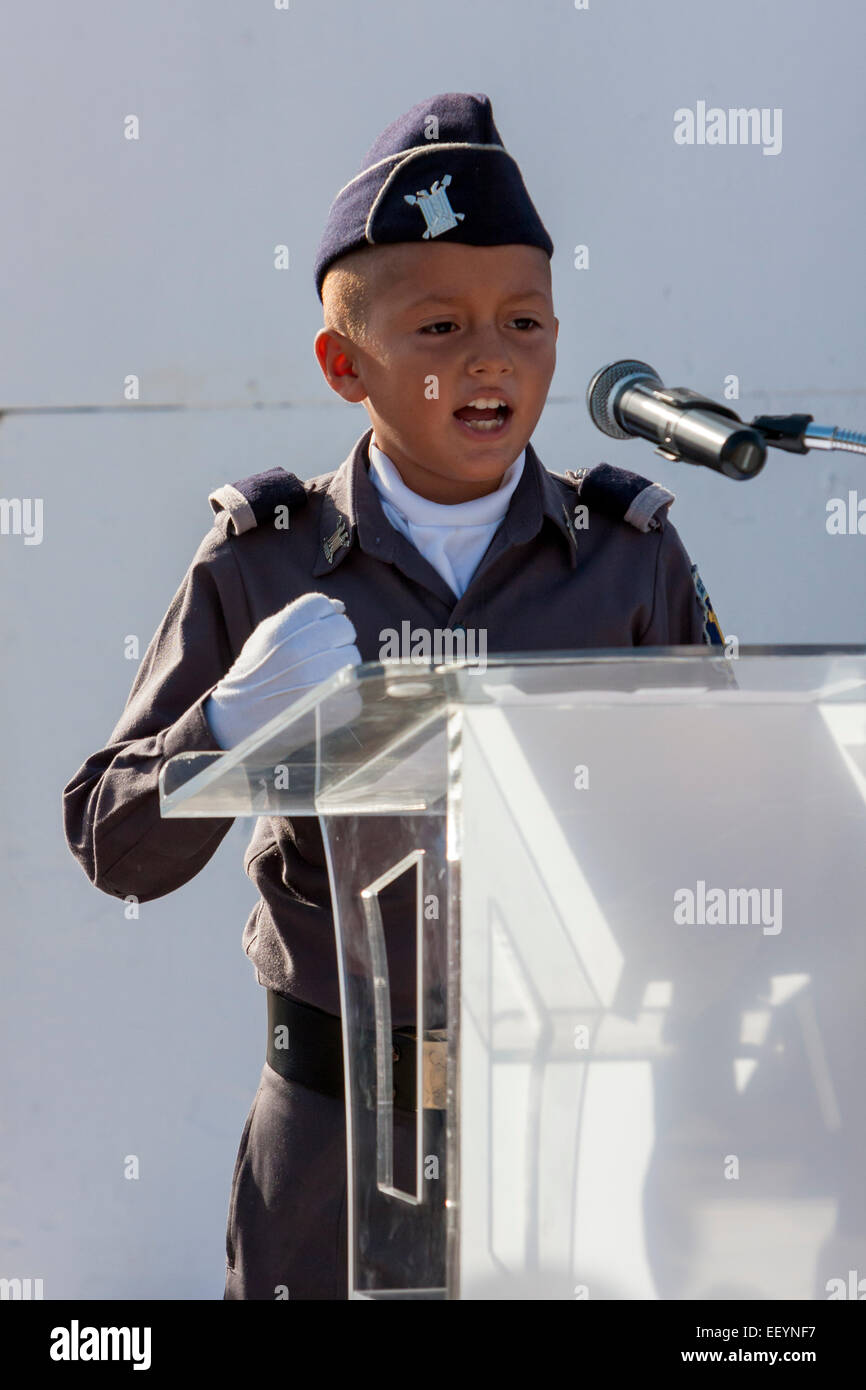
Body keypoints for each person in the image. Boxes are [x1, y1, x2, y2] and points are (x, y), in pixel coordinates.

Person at [62, 90, 724, 1301]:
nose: (487, 356)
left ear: (558, 341)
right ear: (342, 362)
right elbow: (113, 843)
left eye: (522, 320)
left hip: (572, 1128)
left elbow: (732, 838)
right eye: (435, 327)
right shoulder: (261, 558)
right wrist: (224, 737)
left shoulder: (629, 559)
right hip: (331, 1133)